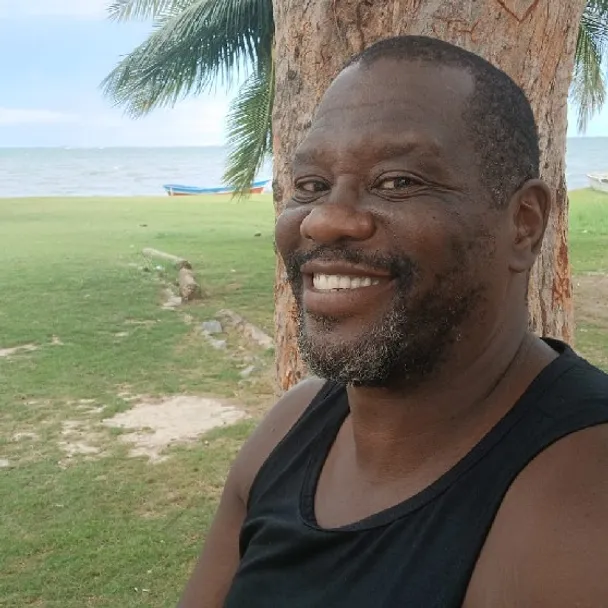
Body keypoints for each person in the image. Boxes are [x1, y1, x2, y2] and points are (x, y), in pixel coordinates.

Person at [178, 36, 608, 607]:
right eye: (311, 186)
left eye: (398, 182)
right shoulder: (292, 426)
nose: (324, 220)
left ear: (523, 223)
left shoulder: (581, 504)